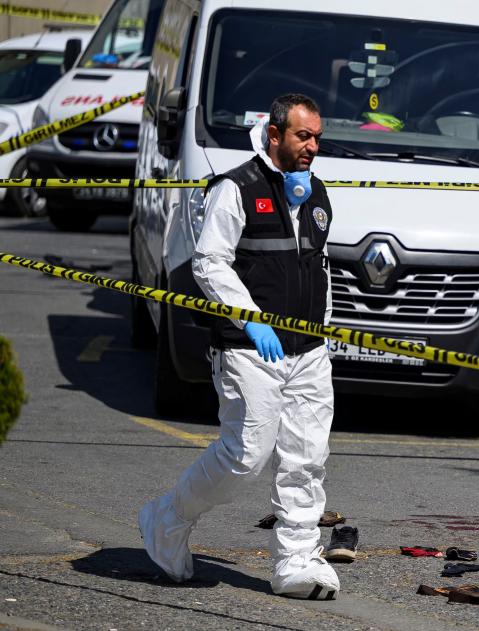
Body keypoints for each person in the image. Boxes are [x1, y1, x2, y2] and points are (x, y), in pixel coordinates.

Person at [139, 93, 340, 600]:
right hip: (250, 349)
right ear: (274, 135)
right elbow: (209, 262)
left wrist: (323, 331)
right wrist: (251, 321)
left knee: (306, 457)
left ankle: (296, 561)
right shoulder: (236, 188)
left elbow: (319, 266)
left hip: (307, 350)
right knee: (245, 456)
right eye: (303, 136)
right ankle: (168, 517)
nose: (313, 146)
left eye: (317, 137)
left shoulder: (315, 193)